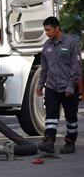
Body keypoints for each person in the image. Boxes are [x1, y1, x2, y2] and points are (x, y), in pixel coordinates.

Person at [37, 16, 81, 154]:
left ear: (57, 28)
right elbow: (44, 68)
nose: (47, 33)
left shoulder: (71, 43)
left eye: (49, 30)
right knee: (51, 114)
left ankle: (70, 142)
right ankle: (49, 140)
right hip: (52, 86)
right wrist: (40, 84)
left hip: (68, 87)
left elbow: (76, 66)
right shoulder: (46, 45)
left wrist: (70, 86)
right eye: (45, 31)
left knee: (71, 117)